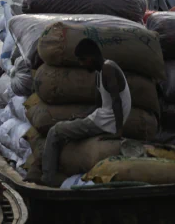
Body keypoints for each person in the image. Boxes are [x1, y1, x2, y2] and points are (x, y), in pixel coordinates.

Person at [41, 38, 130, 185]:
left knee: (55, 131)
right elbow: (99, 104)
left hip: (106, 123)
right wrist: (82, 117)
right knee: (68, 125)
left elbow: (116, 101)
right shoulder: (99, 72)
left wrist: (118, 131)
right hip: (103, 119)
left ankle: (48, 178)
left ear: (91, 57)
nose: (81, 64)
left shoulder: (108, 69)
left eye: (83, 60)